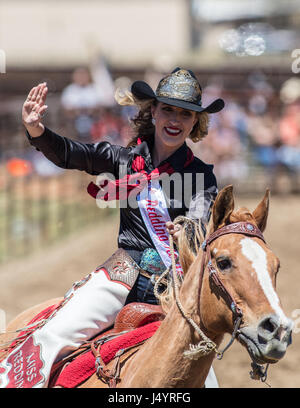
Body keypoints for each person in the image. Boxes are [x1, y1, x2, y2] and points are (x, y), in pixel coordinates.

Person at [0, 68, 224, 388]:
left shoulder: (201, 176)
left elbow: (202, 215)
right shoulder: (121, 159)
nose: (175, 119)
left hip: (174, 286)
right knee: (53, 335)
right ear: (154, 112)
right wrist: (36, 130)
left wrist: (188, 231)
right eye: (168, 110)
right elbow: (72, 153)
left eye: (185, 114)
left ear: (195, 123)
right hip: (124, 271)